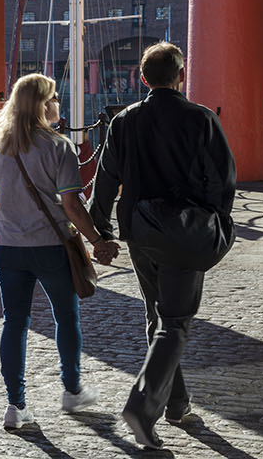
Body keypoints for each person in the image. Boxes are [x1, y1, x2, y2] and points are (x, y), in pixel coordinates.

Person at [89, 41, 236, 449]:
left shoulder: (124, 121)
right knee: (175, 321)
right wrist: (214, 220)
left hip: (141, 232)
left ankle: (177, 404)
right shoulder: (201, 119)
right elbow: (223, 181)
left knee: (160, 317)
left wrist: (100, 229)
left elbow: (105, 180)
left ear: (142, 77)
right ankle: (143, 406)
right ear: (181, 75)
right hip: (186, 231)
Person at [0, 73, 120, 430]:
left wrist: (4, 226)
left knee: (15, 323)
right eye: (53, 98)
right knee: (66, 317)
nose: (58, 103)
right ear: (42, 105)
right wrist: (99, 240)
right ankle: (72, 391)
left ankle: (15, 406)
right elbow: (72, 205)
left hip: (7, 249)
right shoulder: (59, 147)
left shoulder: (1, 145)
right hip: (51, 248)